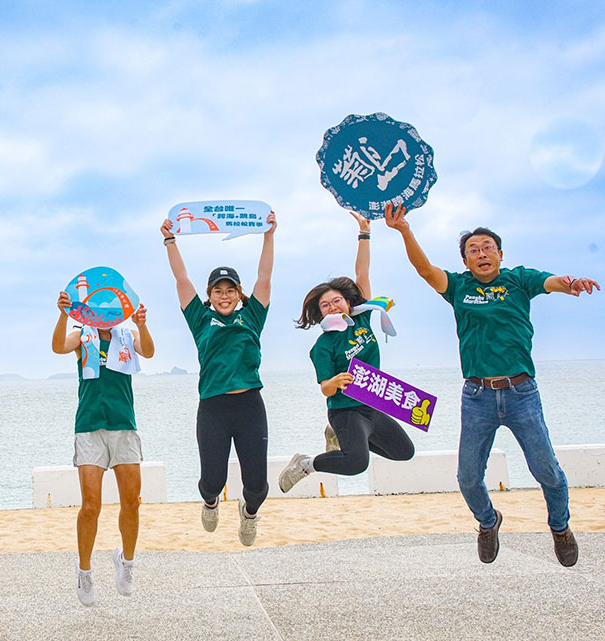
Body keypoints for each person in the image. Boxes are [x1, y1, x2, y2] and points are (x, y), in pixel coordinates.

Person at [385, 207, 599, 566]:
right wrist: (404, 229)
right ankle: (488, 521)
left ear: (500, 253)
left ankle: (560, 527)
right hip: (477, 396)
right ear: (465, 261)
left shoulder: (519, 279)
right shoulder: (458, 287)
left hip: (521, 393)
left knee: (546, 470)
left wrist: (571, 283)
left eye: (487, 247)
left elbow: (553, 281)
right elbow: (425, 271)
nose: (481, 253)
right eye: (473, 250)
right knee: (468, 477)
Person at [279, 206, 414, 493]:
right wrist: (335, 381)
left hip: (372, 403)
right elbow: (325, 388)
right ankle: (307, 463)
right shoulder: (323, 346)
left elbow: (362, 272)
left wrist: (364, 232)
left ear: (348, 302)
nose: (332, 306)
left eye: (337, 301)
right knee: (356, 463)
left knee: (404, 452)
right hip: (345, 410)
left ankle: (344, 441)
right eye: (325, 305)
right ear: (319, 313)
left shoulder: (362, 317)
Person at [160, 212, 276, 546]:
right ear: (209, 295)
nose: (224, 296)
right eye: (217, 291)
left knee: (257, 485)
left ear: (239, 294)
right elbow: (181, 278)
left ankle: (249, 514)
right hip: (212, 407)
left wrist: (268, 235)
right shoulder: (200, 318)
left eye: (230, 290)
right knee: (212, 480)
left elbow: (264, 277)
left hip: (250, 406)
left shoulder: (252, 316)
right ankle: (210, 503)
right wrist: (170, 240)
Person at [51, 291, 155, 606]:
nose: (105, 313)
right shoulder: (82, 335)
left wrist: (142, 325)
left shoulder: (128, 334)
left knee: (131, 502)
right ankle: (84, 571)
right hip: (90, 426)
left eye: (111, 308)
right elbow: (58, 347)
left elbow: (148, 352)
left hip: (123, 424)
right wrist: (62, 315)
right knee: (91, 505)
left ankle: (126, 562)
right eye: (98, 308)